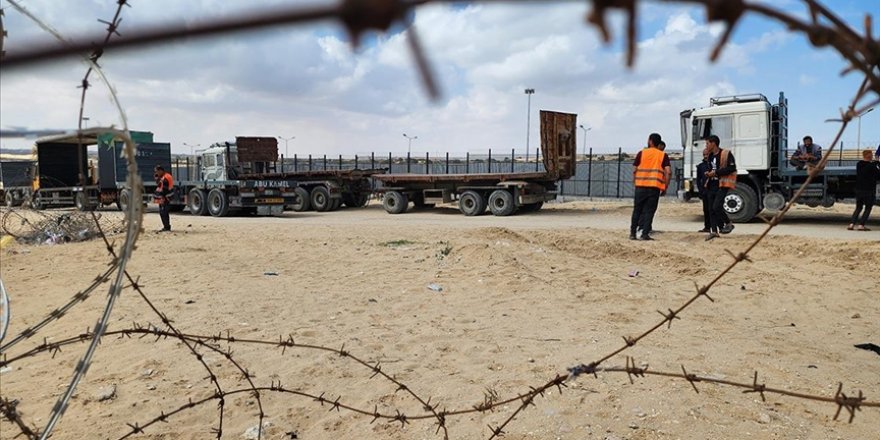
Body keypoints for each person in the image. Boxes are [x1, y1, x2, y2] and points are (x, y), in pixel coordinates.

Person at [629, 133, 671, 241]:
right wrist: (665, 186)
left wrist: (635, 181)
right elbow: (668, 172)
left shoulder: (641, 153)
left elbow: (634, 169)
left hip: (640, 186)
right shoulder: (662, 155)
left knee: (637, 210)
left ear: (650, 141)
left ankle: (633, 233)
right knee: (649, 211)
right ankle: (645, 234)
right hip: (654, 188)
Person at [703, 135, 737, 240]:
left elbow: (732, 168)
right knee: (711, 209)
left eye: (707, 143)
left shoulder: (726, 154)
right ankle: (714, 231)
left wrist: (716, 173)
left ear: (713, 143)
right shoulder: (710, 156)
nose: (706, 146)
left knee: (716, 206)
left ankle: (728, 223)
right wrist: (708, 174)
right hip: (711, 185)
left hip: (722, 184)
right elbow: (710, 168)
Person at [847, 149, 880, 231]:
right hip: (868, 190)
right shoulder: (872, 166)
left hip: (859, 189)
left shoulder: (859, 164)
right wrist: (877, 163)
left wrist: (875, 163)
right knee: (868, 208)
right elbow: (878, 176)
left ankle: (851, 224)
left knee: (858, 207)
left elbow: (867, 167)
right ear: (870, 156)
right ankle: (861, 225)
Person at [644, 140, 669, 236]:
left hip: (644, 185)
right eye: (661, 149)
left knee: (645, 208)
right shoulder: (661, 157)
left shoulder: (645, 154)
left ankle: (644, 227)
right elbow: (668, 172)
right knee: (650, 209)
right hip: (654, 186)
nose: (662, 151)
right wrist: (665, 187)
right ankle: (645, 228)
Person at [695, 147, 712, 233]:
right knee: (706, 209)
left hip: (713, 190)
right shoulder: (701, 166)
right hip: (705, 191)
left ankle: (715, 227)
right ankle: (707, 227)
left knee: (713, 209)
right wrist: (700, 190)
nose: (705, 156)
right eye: (704, 155)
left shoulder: (713, 165)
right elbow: (698, 179)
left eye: (707, 154)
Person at [154, 165, 173, 232]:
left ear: (161, 170)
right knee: (164, 212)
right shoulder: (165, 176)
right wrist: (157, 178)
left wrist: (162, 198)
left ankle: (167, 227)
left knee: (163, 212)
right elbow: (159, 185)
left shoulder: (165, 178)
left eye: (157, 172)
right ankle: (166, 226)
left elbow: (164, 189)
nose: (156, 173)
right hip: (166, 197)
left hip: (165, 198)